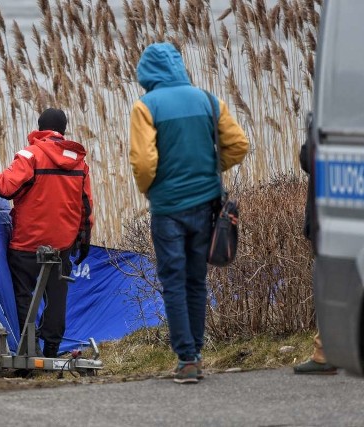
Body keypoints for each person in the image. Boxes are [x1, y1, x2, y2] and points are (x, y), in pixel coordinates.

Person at [129, 42, 249, 384]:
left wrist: (153, 187)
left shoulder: (146, 106)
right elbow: (238, 145)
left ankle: (186, 360)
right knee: (197, 280)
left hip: (168, 209)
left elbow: (143, 162)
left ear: (147, 74)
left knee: (173, 282)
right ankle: (195, 353)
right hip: (206, 205)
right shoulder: (209, 100)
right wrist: (209, 169)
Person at [0, 108, 93, 358]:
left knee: (23, 295)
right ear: (63, 130)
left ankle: (30, 349)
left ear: (39, 127)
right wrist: (84, 235)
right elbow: (85, 204)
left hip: (27, 243)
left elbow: (5, 187)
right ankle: (53, 351)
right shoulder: (79, 161)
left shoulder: (30, 155)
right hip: (62, 243)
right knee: (57, 297)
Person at [293, 113, 337, 375]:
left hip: (329, 215)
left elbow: (310, 159)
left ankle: (324, 352)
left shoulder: (328, 110)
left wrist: (311, 130)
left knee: (326, 281)